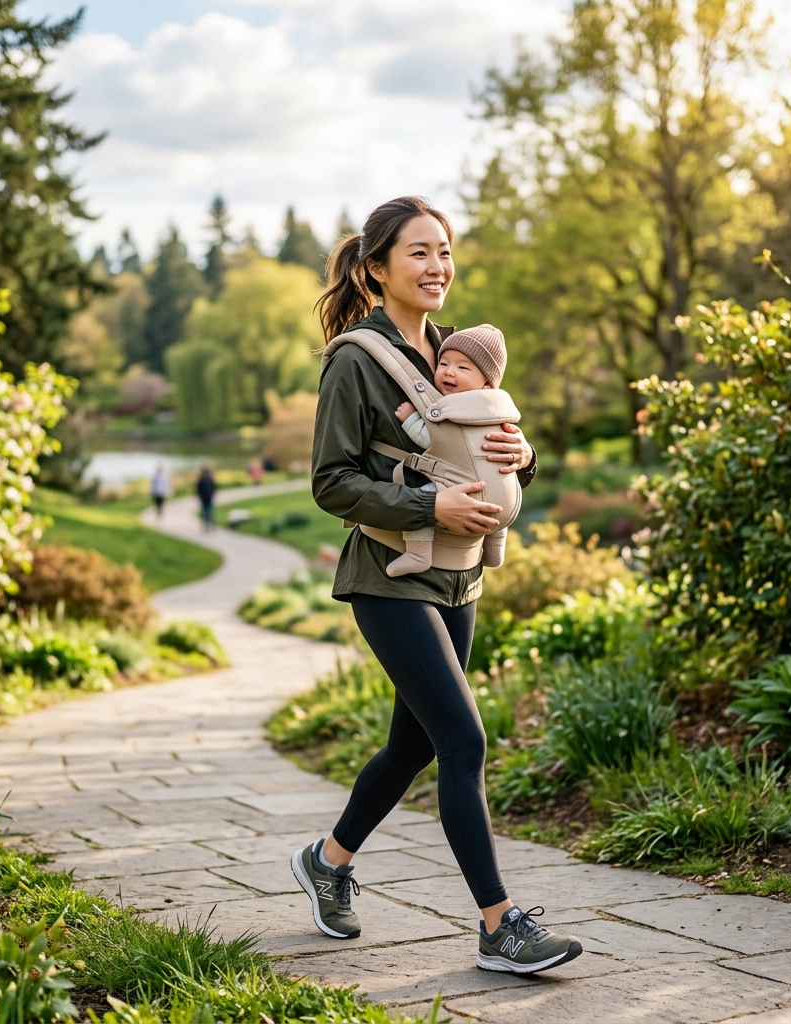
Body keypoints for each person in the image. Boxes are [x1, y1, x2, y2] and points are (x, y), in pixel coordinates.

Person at [289, 196, 584, 975]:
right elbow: (330, 482)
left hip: (459, 576)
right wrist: (430, 505)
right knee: (463, 738)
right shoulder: (356, 360)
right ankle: (499, 927)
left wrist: (521, 456)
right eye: (418, 252)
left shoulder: (459, 353)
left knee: (414, 741)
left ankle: (327, 860)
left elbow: (488, 454)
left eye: (445, 250)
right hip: (389, 575)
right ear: (376, 268)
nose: (437, 266)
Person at [388, 324, 513, 577]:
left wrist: (411, 419)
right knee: (497, 506)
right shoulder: (499, 409)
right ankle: (494, 551)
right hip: (505, 498)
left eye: (462, 368)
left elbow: (434, 440)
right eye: (443, 364)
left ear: (487, 384)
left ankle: (418, 554)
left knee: (422, 498)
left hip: (465, 490)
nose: (449, 372)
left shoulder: (458, 409)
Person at [196, 464, 217, 530]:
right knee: (209, 511)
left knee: (206, 511)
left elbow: (198, 489)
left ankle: (206, 525)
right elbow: (214, 488)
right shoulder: (210, 479)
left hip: (204, 497)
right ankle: (208, 525)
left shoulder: (202, 479)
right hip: (208, 497)